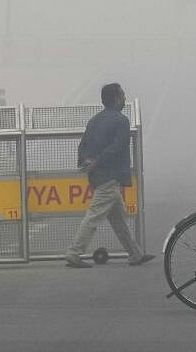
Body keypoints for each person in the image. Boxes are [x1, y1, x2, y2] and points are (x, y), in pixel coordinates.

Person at [64, 83, 155, 268]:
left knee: (118, 218)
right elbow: (118, 147)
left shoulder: (94, 120)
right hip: (110, 176)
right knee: (94, 216)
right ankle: (74, 253)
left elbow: (82, 145)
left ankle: (135, 254)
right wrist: (98, 160)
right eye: (122, 95)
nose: (124, 99)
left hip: (97, 176)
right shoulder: (121, 121)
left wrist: (85, 162)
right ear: (116, 99)